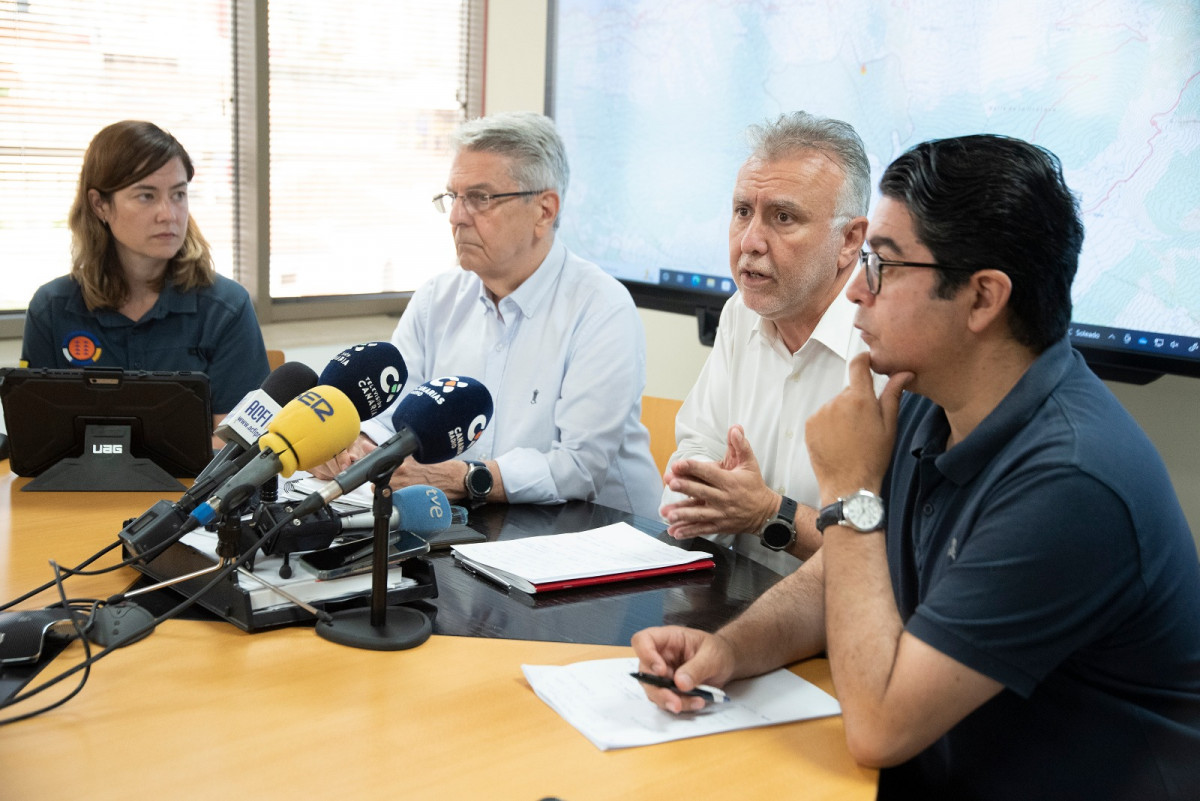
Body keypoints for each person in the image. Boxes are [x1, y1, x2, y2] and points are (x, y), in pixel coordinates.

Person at [632, 134, 1200, 800]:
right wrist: (729, 650)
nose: (855, 294)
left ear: (983, 298)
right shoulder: (932, 400)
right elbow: (836, 580)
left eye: (882, 265)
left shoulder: (1072, 480)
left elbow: (879, 727)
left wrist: (847, 486)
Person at [322, 111, 660, 518]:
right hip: (481, 524)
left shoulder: (601, 308)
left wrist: (456, 477)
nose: (457, 216)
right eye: (453, 196)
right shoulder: (438, 298)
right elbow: (391, 414)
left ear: (544, 210)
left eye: (480, 198)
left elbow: (579, 468)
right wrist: (355, 445)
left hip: (599, 537)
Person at [659, 111, 877, 574]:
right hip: (736, 596)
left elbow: (891, 544)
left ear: (849, 240)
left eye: (783, 217)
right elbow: (699, 445)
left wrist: (768, 514)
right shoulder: (742, 311)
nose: (750, 242)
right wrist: (704, 490)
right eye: (743, 212)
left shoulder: (888, 342)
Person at [20, 120, 270, 422]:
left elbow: (237, 448)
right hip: (83, 472)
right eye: (146, 196)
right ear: (100, 205)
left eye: (178, 194)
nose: (168, 214)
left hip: (196, 473)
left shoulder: (226, 306)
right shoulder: (51, 309)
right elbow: (38, 434)